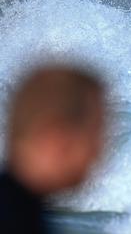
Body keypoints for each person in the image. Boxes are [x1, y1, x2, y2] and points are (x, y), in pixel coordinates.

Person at [0, 65, 107, 234]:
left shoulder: (22, 209)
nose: (98, 153)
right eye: (95, 135)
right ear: (55, 136)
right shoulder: (14, 220)